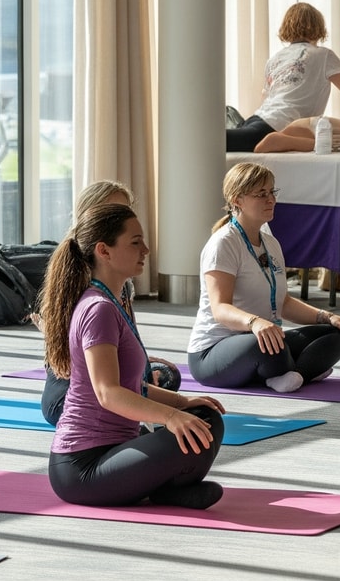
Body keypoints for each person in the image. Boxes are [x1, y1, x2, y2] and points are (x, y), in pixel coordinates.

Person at [44, 202, 228, 509]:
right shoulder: (97, 309)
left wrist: (184, 404)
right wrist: (171, 416)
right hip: (81, 467)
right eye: (135, 242)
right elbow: (108, 394)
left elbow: (133, 387)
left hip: (118, 447)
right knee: (186, 430)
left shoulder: (112, 301)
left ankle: (164, 488)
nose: (145, 249)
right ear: (104, 251)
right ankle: (167, 488)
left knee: (205, 420)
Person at [187, 163, 340, 392]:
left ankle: (290, 374)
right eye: (261, 194)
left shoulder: (270, 243)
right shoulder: (223, 243)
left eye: (272, 192)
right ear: (237, 200)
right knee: (266, 346)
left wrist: (327, 317)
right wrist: (255, 322)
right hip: (213, 351)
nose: (271, 200)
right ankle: (299, 370)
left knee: (337, 334)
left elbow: (284, 303)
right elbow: (220, 309)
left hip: (264, 338)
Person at [41, 181, 179, 425]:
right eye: (113, 211)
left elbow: (126, 332)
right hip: (71, 394)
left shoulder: (121, 281)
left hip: (107, 380)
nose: (123, 218)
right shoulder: (79, 281)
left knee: (169, 375)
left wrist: (140, 367)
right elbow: (89, 369)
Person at [226, 2, 340, 153]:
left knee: (218, 141)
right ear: (318, 27)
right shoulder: (323, 55)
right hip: (277, 126)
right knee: (211, 141)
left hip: (257, 120)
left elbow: (266, 98)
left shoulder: (275, 58)